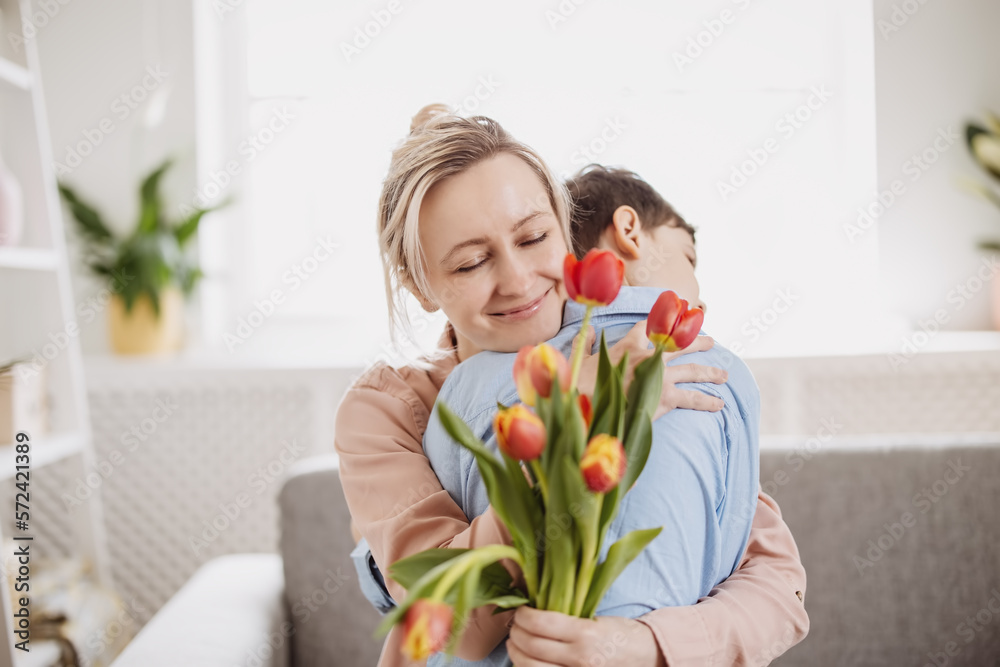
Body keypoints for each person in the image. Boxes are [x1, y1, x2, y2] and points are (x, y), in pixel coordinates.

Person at [335, 107, 809, 667]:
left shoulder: (635, 353)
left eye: (534, 237)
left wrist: (644, 646)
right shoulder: (389, 409)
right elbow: (447, 622)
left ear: (564, 227)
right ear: (421, 285)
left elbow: (780, 591)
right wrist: (572, 425)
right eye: (471, 263)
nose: (517, 279)